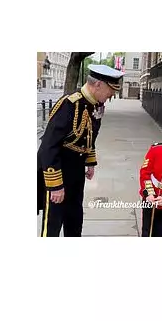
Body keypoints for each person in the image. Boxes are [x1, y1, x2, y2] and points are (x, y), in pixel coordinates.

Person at [37, 64, 123, 237]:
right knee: (53, 224)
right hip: (57, 171)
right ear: (97, 84)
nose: (112, 94)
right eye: (110, 89)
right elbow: (48, 146)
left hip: (76, 172)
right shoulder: (69, 104)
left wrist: (90, 162)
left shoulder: (95, 105)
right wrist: (56, 186)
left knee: (74, 219)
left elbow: (89, 136)